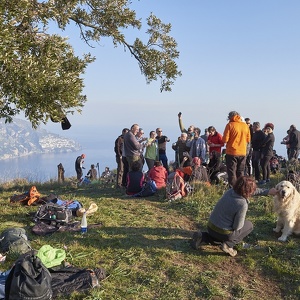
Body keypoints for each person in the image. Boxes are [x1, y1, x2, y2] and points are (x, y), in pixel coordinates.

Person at [190, 176, 277, 257]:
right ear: (248, 191)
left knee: (220, 234)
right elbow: (237, 227)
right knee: (249, 225)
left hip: (211, 227)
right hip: (223, 233)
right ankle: (228, 245)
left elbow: (252, 191)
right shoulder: (242, 204)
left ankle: (203, 237)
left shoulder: (230, 191)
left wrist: (268, 192)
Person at [222, 111, 251, 187]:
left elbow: (225, 140)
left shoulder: (229, 125)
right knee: (240, 171)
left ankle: (233, 188)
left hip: (232, 152)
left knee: (232, 171)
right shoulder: (245, 126)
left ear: (230, 117)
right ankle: (241, 187)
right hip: (243, 152)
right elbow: (248, 139)